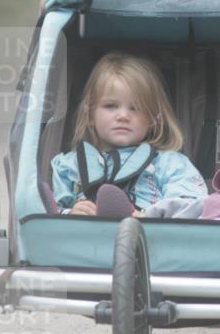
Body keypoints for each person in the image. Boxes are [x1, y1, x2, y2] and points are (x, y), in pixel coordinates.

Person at [50, 53, 207, 218]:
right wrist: (70, 213)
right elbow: (50, 217)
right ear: (90, 114)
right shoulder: (68, 165)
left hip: (148, 235)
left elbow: (193, 204)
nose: (123, 116)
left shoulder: (168, 163)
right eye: (111, 106)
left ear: (154, 118)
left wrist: (151, 216)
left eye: (135, 108)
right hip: (85, 236)